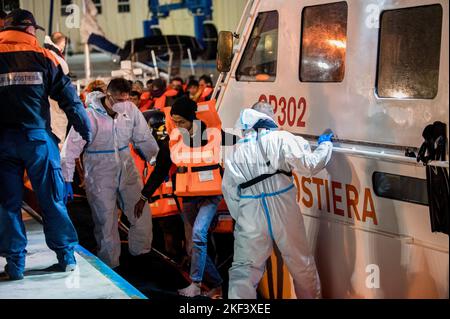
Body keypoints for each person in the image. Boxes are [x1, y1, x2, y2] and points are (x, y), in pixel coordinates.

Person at [0, 9, 92, 281]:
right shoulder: (44, 56)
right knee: (51, 198)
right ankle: (66, 257)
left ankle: (15, 265)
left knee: (7, 204)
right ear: (30, 29)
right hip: (37, 139)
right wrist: (85, 130)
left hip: (3, 143)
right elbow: (70, 99)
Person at [222, 103, 334, 299]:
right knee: (301, 264)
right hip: (283, 204)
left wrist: (242, 218)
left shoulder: (235, 151)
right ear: (270, 118)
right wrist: (325, 146)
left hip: (249, 209)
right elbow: (309, 165)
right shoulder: (282, 138)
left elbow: (229, 190)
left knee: (244, 270)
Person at [135, 96, 238, 298]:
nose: (177, 125)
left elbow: (241, 143)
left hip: (211, 196)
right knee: (195, 245)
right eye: (174, 121)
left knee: (199, 234)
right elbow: (161, 170)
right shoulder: (171, 140)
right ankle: (217, 284)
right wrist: (144, 196)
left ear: (191, 118)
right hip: (188, 197)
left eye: (181, 121)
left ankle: (196, 284)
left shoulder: (214, 135)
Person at [61, 78, 159, 269]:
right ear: (108, 95)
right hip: (99, 172)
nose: (122, 105)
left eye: (125, 99)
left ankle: (141, 257)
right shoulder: (88, 116)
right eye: (117, 100)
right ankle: (111, 266)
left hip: (126, 167)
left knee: (142, 214)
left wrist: (155, 160)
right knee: (105, 221)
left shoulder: (130, 111)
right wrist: (66, 178)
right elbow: (70, 150)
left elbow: (143, 138)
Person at [44, 32, 70, 150]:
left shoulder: (45, 54)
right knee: (59, 139)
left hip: (45, 103)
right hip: (56, 103)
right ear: (62, 43)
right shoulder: (58, 59)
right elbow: (65, 88)